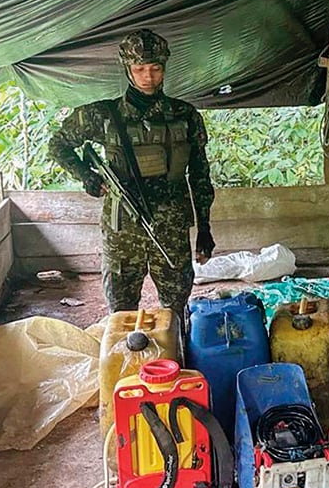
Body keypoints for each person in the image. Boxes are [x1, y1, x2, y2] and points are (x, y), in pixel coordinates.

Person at [48, 28, 215, 319]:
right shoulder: (103, 115)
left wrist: (204, 228)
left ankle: (175, 362)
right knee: (121, 315)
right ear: (127, 69)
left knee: (175, 312)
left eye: (155, 68)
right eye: (139, 69)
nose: (148, 77)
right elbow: (58, 145)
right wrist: (86, 175)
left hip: (171, 227)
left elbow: (199, 174)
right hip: (122, 229)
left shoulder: (185, 115)